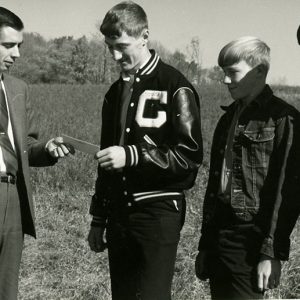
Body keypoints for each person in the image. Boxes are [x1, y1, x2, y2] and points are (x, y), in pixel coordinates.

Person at [87, 1, 203, 299]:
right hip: (119, 216)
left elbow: (189, 158)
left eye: (122, 46)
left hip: (157, 216)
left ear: (144, 36)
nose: (115, 55)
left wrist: (133, 155)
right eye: (109, 46)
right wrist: (99, 218)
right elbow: (106, 161)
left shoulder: (175, 85)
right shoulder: (115, 93)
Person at [195, 36, 300, 299]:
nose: (226, 80)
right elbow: (214, 187)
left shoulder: (282, 120)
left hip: (251, 240)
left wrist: (271, 252)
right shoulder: (227, 118)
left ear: (260, 71)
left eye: (233, 73)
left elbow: (285, 193)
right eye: (224, 73)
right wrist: (206, 245)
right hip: (221, 237)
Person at [0, 7, 72, 300]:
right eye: (7, 45)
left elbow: (25, 146)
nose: (16, 53)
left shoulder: (17, 88)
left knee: (7, 289)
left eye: (19, 45)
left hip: (12, 198)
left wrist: (47, 150)